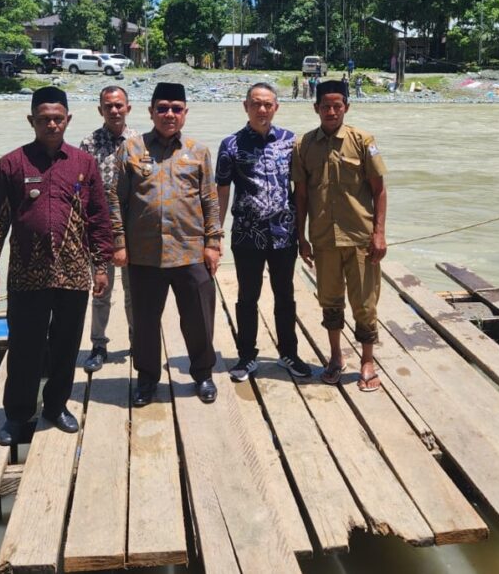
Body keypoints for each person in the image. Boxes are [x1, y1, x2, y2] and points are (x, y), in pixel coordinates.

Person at [0, 86, 112, 445]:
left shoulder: (83, 164)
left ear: (68, 119)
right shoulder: (12, 164)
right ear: (31, 121)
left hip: (72, 273)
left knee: (67, 345)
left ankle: (55, 407)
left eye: (58, 119)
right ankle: (17, 415)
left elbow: (99, 218)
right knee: (24, 346)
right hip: (26, 274)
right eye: (44, 119)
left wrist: (100, 265)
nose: (52, 125)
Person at [108, 82, 222, 406]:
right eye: (162, 108)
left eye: (176, 108)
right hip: (145, 254)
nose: (169, 114)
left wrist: (212, 243)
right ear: (151, 112)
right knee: (144, 322)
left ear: (185, 113)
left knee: (199, 318)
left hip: (191, 253)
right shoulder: (130, 149)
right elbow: (115, 200)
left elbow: (210, 201)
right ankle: (146, 380)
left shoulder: (198, 152)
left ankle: (202, 374)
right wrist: (119, 243)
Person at [292, 79, 388, 392]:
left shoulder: (363, 141)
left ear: (346, 106)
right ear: (315, 108)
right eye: (325, 106)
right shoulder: (304, 145)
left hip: (360, 238)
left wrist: (379, 234)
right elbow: (301, 196)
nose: (331, 111)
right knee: (330, 302)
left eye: (337, 106)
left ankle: (367, 360)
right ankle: (335, 357)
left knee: (364, 304)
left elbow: (379, 190)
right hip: (323, 239)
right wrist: (300, 236)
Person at [216, 83, 312, 382]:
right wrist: (215, 232)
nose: (262, 109)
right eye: (256, 104)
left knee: (285, 295)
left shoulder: (291, 142)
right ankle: (246, 356)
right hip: (246, 235)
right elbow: (221, 191)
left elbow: (301, 191)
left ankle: (289, 353)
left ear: (276, 107)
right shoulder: (230, 145)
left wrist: (303, 232)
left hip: (285, 234)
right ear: (246, 106)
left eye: (267, 104)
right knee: (247, 297)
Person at [78, 86, 137, 373]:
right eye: (108, 106)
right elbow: (81, 191)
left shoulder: (140, 141)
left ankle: (138, 342)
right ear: (100, 110)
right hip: (99, 232)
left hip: (136, 231)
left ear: (129, 108)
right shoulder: (88, 144)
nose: (114, 110)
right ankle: (99, 345)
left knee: (134, 292)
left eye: (119, 105)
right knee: (101, 291)